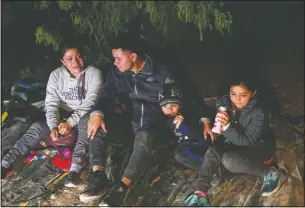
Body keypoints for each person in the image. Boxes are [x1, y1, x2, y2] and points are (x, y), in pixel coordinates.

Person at [75, 35, 215, 205]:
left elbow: (190, 94)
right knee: (90, 120)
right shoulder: (119, 74)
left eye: (118, 58)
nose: (115, 63)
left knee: (144, 136)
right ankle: (98, 174)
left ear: (133, 56)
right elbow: (106, 94)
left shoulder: (162, 72)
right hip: (130, 125)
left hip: (159, 129)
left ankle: (122, 187)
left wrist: (204, 118)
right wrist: (97, 113)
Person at [1, 45, 103, 182]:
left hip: (84, 115)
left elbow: (90, 102)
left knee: (86, 126)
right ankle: (6, 163)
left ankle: (74, 169)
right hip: (63, 117)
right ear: (63, 61)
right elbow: (51, 104)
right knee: (38, 127)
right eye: (69, 58)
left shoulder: (94, 73)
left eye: (78, 56)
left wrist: (70, 122)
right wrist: (54, 126)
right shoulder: (56, 76)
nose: (75, 61)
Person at [183, 74, 288, 207]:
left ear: (253, 93)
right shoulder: (223, 103)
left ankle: (271, 172)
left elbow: (247, 140)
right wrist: (216, 127)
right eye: (233, 93)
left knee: (229, 160)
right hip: (234, 144)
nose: (237, 99)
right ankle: (199, 194)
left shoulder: (259, 111)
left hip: (259, 148)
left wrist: (227, 126)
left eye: (243, 95)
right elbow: (221, 130)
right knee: (213, 151)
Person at [158, 83, 214, 170]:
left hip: (200, 143)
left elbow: (200, 135)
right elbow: (165, 138)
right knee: (176, 155)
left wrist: (183, 125)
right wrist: (173, 126)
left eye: (173, 105)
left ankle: (211, 168)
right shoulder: (163, 120)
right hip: (186, 148)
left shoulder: (188, 115)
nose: (169, 109)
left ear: (180, 106)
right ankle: (207, 167)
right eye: (164, 106)